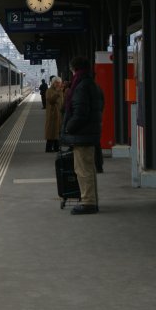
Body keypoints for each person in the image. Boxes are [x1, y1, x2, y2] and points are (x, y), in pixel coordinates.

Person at [60, 56, 103, 215]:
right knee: (88, 169)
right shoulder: (91, 84)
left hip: (82, 135)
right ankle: (90, 200)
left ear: (74, 69)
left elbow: (80, 113)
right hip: (88, 133)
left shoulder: (81, 86)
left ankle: (88, 203)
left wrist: (69, 129)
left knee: (83, 170)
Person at [44, 76, 63, 152]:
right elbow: (51, 100)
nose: (58, 84)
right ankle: (48, 148)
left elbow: (62, 102)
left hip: (59, 114)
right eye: (57, 83)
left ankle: (56, 148)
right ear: (53, 83)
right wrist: (57, 93)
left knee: (57, 132)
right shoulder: (49, 91)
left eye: (59, 83)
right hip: (52, 114)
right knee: (51, 132)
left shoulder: (60, 91)